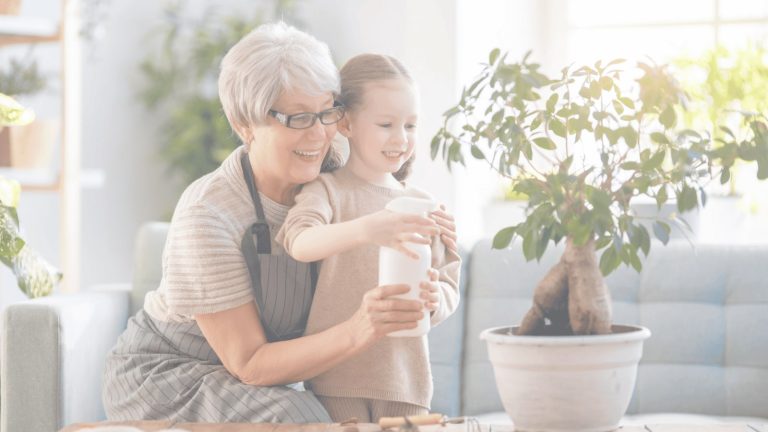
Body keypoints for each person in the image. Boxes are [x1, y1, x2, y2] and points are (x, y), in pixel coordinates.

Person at [102, 23, 457, 423]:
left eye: (327, 113)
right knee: (302, 417)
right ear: (244, 125)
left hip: (265, 378)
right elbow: (250, 363)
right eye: (298, 118)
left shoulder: (335, 175)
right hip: (174, 375)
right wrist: (360, 328)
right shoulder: (209, 213)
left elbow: (384, 201)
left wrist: (432, 236)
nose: (320, 134)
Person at [278, 53, 461, 422]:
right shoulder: (327, 190)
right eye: (386, 124)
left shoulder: (425, 205)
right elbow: (298, 241)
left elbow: (448, 286)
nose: (401, 138)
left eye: (410, 126)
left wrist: (434, 299)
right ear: (345, 123)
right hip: (336, 380)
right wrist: (368, 228)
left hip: (406, 381)